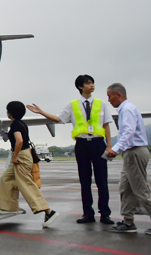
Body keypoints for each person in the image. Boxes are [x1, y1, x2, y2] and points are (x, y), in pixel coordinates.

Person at [27, 75, 114, 224]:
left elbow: (106, 125)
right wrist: (41, 112)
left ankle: (105, 214)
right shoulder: (72, 104)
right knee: (85, 181)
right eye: (88, 83)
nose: (92, 85)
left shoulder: (102, 104)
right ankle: (88, 213)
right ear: (80, 86)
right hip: (81, 145)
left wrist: (109, 145)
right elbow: (58, 119)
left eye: (92, 83)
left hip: (98, 143)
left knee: (102, 181)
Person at [106, 83, 151, 235]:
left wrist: (116, 149)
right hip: (131, 152)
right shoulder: (126, 109)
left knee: (139, 189)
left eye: (110, 96)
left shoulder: (127, 109)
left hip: (134, 152)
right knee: (125, 187)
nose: (109, 100)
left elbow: (128, 132)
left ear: (118, 95)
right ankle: (128, 221)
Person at [0, 101, 59, 227]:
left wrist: (15, 157)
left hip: (20, 156)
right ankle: (9, 207)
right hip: (23, 155)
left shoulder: (15, 125)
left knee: (26, 184)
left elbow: (19, 141)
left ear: (10, 112)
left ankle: (48, 211)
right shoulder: (21, 124)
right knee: (6, 179)